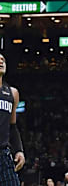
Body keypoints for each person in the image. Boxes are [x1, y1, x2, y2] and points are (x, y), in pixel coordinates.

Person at [0, 54, 24, 186]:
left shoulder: (12, 93)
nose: (1, 61)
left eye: (3, 59)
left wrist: (19, 150)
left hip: (4, 155)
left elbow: (12, 126)